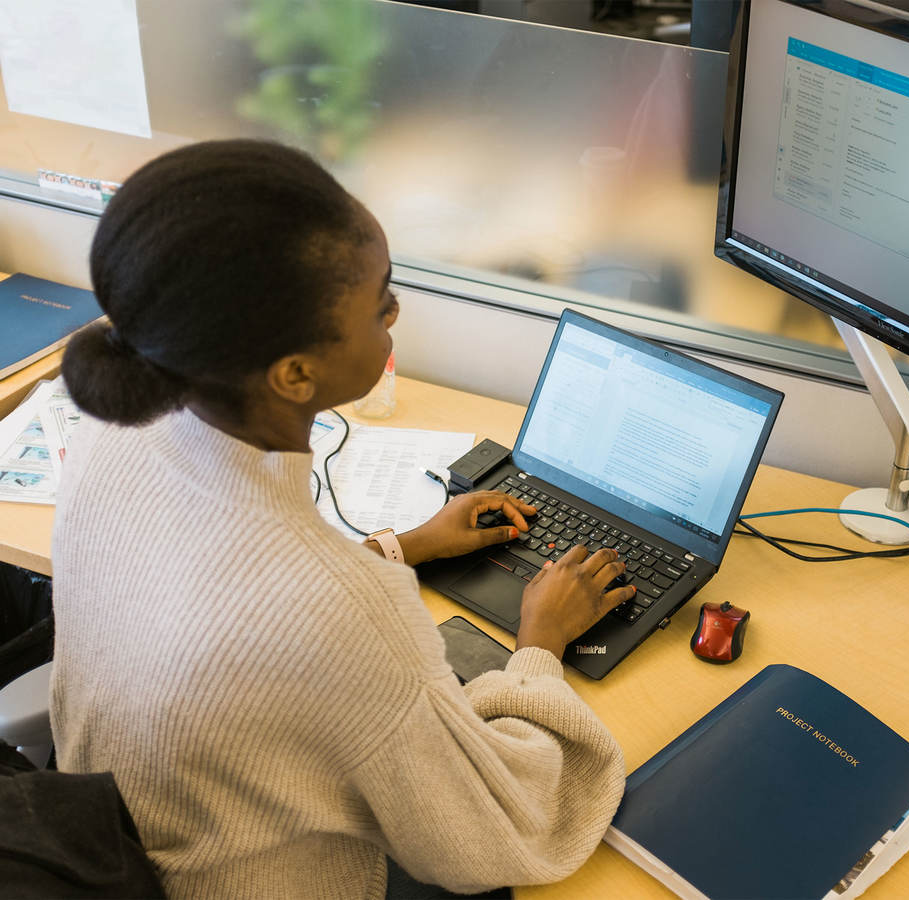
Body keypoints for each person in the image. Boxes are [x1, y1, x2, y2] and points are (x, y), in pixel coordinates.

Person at [50, 139, 636, 899]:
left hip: (114, 835)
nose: (395, 312)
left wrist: (400, 547)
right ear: (295, 374)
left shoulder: (117, 426)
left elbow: (223, 602)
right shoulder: (337, 611)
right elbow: (509, 830)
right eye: (379, 300)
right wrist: (538, 651)